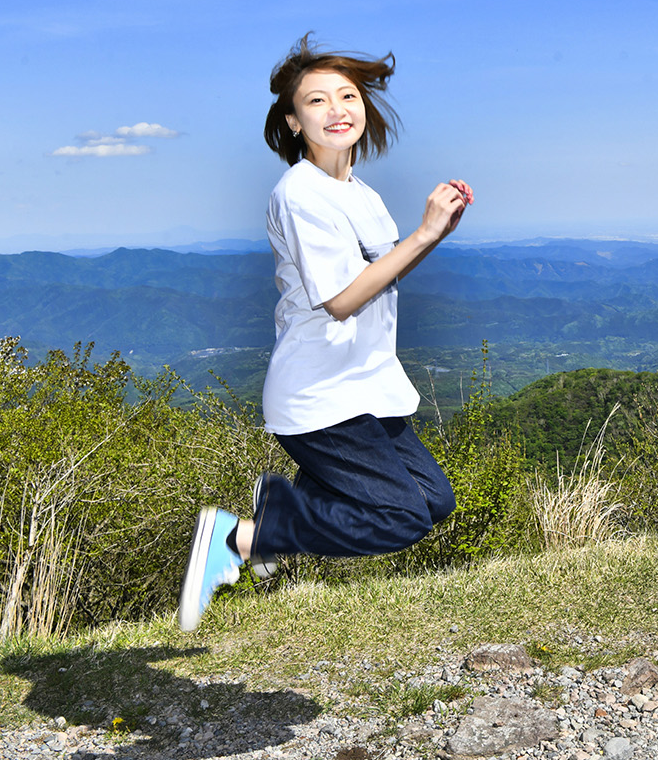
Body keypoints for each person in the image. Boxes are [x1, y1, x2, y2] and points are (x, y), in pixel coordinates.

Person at [179, 34, 474, 632]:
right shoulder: (300, 194)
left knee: (433, 502)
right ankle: (240, 537)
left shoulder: (358, 192)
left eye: (348, 94)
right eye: (316, 101)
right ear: (292, 121)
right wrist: (424, 233)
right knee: (399, 517)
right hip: (321, 395)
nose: (337, 108)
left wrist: (434, 233)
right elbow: (341, 301)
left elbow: (377, 274)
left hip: (367, 385)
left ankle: (279, 514)